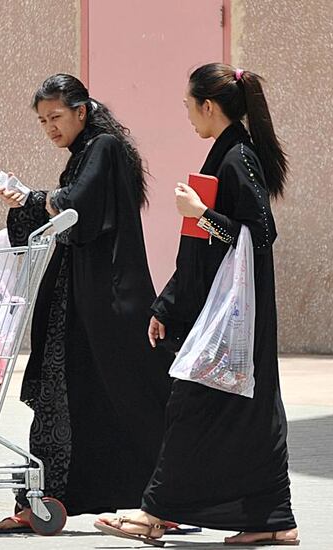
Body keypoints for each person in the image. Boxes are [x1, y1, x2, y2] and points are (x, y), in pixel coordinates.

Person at [95, 62, 299, 546]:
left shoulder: (236, 157)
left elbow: (260, 233)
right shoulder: (226, 154)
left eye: (189, 106)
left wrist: (202, 214)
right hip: (226, 310)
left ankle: (155, 514)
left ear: (209, 106)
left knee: (191, 404)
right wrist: (167, 304)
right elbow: (201, 251)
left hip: (235, 316)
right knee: (250, 412)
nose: (187, 115)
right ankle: (272, 521)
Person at [0, 74, 173, 532]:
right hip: (77, 302)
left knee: (125, 397)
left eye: (56, 117)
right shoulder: (85, 154)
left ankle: (165, 500)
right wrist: (29, 202)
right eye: (42, 121)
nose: (49, 127)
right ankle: (43, 500)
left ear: (81, 112)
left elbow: (77, 209)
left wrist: (34, 199)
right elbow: (64, 210)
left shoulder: (103, 147)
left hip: (105, 301)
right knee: (63, 397)